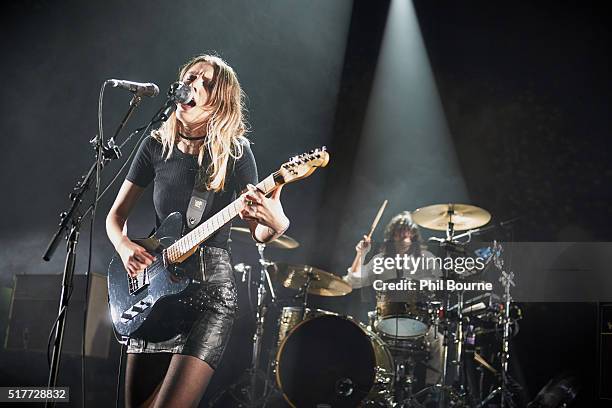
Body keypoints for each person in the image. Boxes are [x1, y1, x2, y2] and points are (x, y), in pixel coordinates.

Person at [106, 54, 290, 408]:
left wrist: (276, 222)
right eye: (190, 76)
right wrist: (126, 247)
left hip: (209, 297)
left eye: (204, 81)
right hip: (154, 291)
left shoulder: (235, 152)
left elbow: (258, 232)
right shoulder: (155, 144)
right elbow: (115, 217)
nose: (192, 83)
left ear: (218, 100)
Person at [343, 211, 443, 386]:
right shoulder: (380, 260)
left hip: (419, 320)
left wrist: (423, 287)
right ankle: (370, 386)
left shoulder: (428, 259)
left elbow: (440, 286)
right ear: (392, 235)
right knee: (362, 340)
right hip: (384, 320)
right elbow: (352, 281)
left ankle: (432, 390)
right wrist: (361, 253)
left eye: (407, 230)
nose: (403, 234)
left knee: (439, 340)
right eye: (399, 230)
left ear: (413, 234)